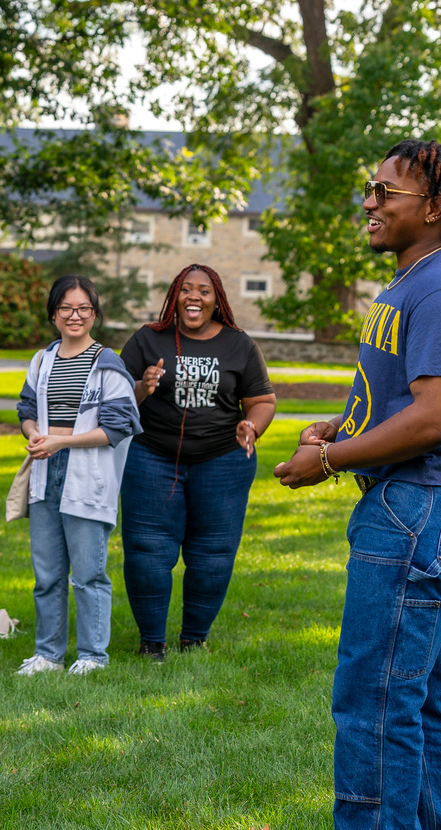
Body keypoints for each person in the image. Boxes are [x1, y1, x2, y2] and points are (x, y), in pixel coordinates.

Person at [274, 139, 441, 830]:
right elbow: (404, 398)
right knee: (422, 699)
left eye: (384, 193)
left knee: (373, 701)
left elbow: (436, 416)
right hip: (420, 508)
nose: (367, 204)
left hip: (421, 511)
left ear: (432, 206)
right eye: (367, 190)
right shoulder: (413, 281)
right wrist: (343, 425)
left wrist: (332, 462)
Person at [119, 264, 276, 661]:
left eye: (203, 291)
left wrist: (251, 427)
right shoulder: (146, 341)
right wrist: (142, 387)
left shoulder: (239, 345)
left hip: (221, 461)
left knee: (213, 553)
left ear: (216, 299)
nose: (194, 297)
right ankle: (151, 642)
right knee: (147, 550)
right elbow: (114, 400)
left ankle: (194, 639)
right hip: (151, 457)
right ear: (174, 296)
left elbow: (262, 401)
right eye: (186, 289)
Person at [13, 275, 141, 676]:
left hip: (87, 477)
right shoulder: (42, 360)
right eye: (66, 308)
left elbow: (119, 426)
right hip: (46, 476)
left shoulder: (108, 363)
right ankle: (48, 655)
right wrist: (35, 435)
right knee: (47, 574)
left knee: (88, 573)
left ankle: (92, 656)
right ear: (53, 314)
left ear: (95, 315)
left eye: (84, 308)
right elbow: (27, 409)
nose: (75, 316)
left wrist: (59, 443)